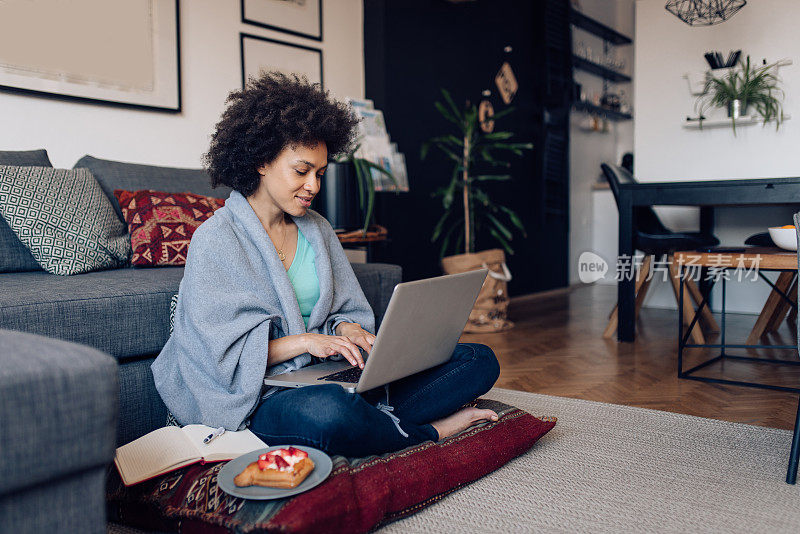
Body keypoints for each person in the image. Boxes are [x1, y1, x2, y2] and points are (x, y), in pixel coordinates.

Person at [152, 72, 500, 458]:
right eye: (301, 171)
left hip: (331, 374)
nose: (314, 186)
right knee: (327, 413)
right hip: (263, 396)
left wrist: (348, 328)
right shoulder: (215, 240)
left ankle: (371, 422)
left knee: (478, 360)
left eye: (320, 173)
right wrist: (303, 342)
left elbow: (344, 309)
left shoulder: (316, 229)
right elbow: (217, 357)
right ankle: (427, 431)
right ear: (261, 161)